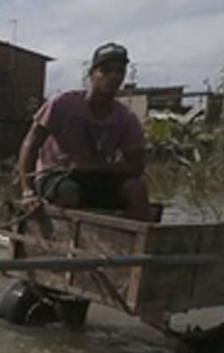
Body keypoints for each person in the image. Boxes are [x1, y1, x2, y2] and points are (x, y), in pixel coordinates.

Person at [16, 42, 152, 221]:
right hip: (55, 175)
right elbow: (30, 144)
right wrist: (28, 190)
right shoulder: (62, 103)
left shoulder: (125, 118)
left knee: (137, 189)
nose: (113, 77)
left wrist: (95, 166)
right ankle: (64, 242)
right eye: (106, 71)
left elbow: (136, 166)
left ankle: (136, 244)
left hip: (96, 177)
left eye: (119, 71)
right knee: (69, 191)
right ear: (92, 74)